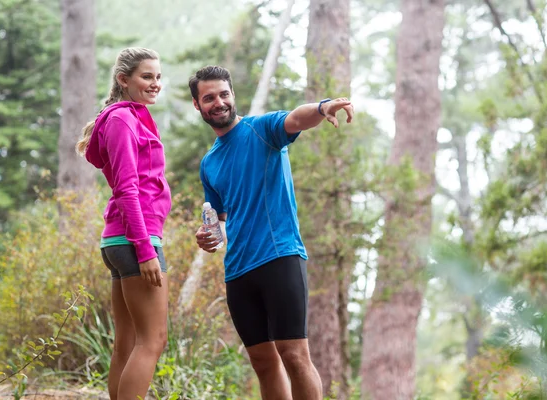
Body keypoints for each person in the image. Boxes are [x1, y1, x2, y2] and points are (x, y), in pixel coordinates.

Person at [192, 65, 354, 400]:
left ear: (232, 95)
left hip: (279, 256)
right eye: (209, 98)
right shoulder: (209, 163)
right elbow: (219, 220)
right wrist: (210, 236)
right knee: (263, 363)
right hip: (238, 270)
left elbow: (296, 118)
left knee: (294, 355)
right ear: (198, 105)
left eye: (224, 94)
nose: (218, 102)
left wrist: (323, 107)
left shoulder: (261, 129)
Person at [76, 47, 171, 400]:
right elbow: (128, 188)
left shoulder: (132, 117)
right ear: (123, 80)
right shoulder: (122, 120)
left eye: (158, 77)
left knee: (128, 341)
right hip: (135, 241)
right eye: (147, 76)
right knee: (153, 340)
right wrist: (146, 250)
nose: (155, 83)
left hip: (122, 241)